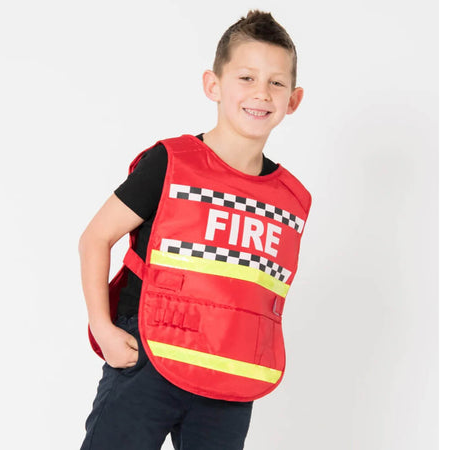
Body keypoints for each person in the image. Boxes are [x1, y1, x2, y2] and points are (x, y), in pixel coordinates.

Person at [78, 10, 311, 450]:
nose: (261, 93)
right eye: (246, 77)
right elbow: (95, 238)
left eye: (276, 83)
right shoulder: (171, 164)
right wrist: (103, 329)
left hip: (229, 375)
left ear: (293, 100)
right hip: (146, 357)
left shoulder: (291, 200)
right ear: (213, 85)